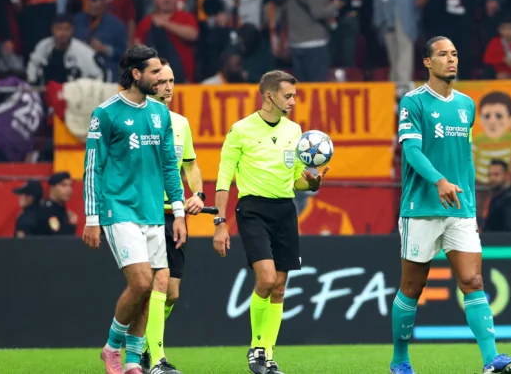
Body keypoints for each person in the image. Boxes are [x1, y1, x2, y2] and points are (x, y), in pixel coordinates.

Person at [390, 37, 511, 374]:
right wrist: (438, 180)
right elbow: (411, 151)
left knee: (473, 281)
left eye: (454, 54)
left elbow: (464, 158)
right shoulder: (414, 102)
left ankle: (491, 360)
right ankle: (400, 360)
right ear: (427, 62)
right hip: (421, 207)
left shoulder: (467, 104)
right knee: (412, 287)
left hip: (460, 209)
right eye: (442, 55)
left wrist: (468, 200)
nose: (451, 60)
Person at [214, 70, 328, 374]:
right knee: (265, 279)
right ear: (269, 96)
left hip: (284, 211)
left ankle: (268, 353)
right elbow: (224, 180)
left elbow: (296, 181)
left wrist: (312, 183)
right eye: (287, 95)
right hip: (252, 210)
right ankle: (257, 348)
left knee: (279, 287)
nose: (293, 101)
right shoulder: (240, 130)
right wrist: (220, 222)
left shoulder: (295, 130)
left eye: (294, 95)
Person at [83, 45, 187, 374]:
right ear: (136, 74)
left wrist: (180, 212)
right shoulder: (106, 113)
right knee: (141, 282)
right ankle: (113, 347)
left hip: (155, 213)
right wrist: (92, 217)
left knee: (153, 289)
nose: (162, 79)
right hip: (119, 208)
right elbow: (92, 167)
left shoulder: (160, 115)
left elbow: (171, 166)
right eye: (155, 72)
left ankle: (132, 361)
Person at [143, 61, 204, 374]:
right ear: (150, 84)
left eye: (172, 81)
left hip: (176, 215)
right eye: (162, 81)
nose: (168, 87)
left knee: (173, 293)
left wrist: (198, 195)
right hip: (146, 213)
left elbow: (190, 166)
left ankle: (141, 345)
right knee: (159, 281)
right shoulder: (136, 119)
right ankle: (157, 360)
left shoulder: (181, 123)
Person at [482, 159, 511, 232]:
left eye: (496, 174)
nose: (492, 178)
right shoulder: (495, 198)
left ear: (506, 175)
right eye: (490, 175)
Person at [38, 171, 77, 236]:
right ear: (52, 187)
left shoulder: (64, 211)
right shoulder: (45, 210)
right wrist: (70, 226)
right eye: (63, 185)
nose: (69, 189)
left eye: (70, 185)